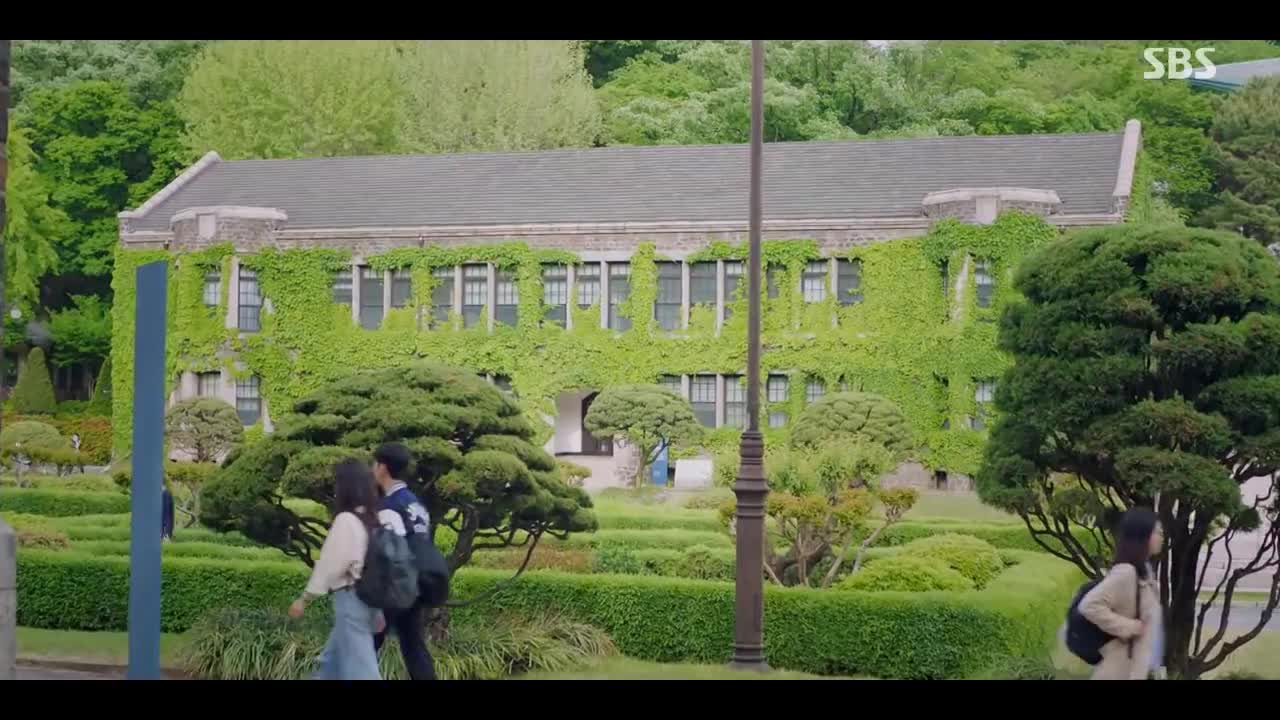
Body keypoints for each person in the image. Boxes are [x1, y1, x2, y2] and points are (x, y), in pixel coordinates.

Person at [288, 459, 403, 680]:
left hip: (351, 600)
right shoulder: (373, 518)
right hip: (370, 599)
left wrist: (304, 599)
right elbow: (376, 565)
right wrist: (378, 611)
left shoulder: (347, 520)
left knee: (362, 670)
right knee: (330, 664)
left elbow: (330, 565)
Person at [371, 442, 438, 681]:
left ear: (382, 467)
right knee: (413, 646)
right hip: (417, 584)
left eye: (374, 464)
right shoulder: (414, 503)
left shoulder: (390, 507)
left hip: (395, 587)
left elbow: (391, 554)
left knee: (364, 646)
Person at [1078, 508, 1165, 680]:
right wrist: (1130, 627)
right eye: (1157, 532)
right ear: (1142, 535)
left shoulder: (1145, 573)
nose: (1162, 537)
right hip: (1118, 671)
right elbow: (1089, 605)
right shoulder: (1126, 572)